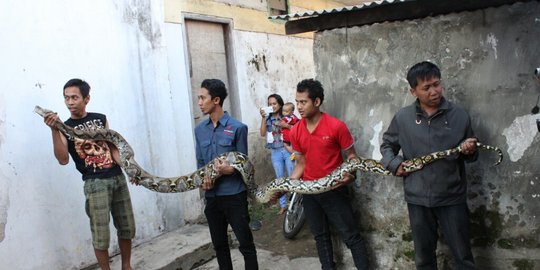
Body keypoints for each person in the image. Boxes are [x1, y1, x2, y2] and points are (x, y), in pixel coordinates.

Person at [380, 61, 478, 269]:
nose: (434, 91)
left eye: (437, 84)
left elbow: (471, 155)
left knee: (463, 257)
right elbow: (387, 145)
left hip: (452, 197)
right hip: (418, 198)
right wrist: (394, 164)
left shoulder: (459, 116)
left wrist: (471, 150)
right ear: (413, 91)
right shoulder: (403, 118)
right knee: (424, 258)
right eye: (426, 87)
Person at [42, 78, 135, 270]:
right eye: (66, 98)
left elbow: (113, 149)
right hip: (95, 183)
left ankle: (126, 266)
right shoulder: (64, 127)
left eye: (74, 97)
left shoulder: (100, 118)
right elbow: (63, 159)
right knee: (101, 236)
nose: (70, 102)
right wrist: (54, 130)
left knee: (127, 228)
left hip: (117, 177)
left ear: (86, 98)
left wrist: (130, 169)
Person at [287, 78, 370, 269]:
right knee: (320, 236)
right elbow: (300, 164)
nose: (299, 107)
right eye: (297, 102)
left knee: (351, 236)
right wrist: (287, 186)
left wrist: (352, 175)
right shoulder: (296, 131)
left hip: (335, 190)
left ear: (316, 102)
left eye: (303, 102)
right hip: (309, 191)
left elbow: (352, 157)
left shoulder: (336, 126)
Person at [195, 78, 258, 270]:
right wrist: (203, 181)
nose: (199, 102)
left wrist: (229, 170)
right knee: (220, 246)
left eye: (202, 98)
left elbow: (244, 164)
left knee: (245, 244)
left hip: (234, 195)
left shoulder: (238, 128)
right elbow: (200, 163)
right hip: (212, 197)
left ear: (216, 100)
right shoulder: (199, 130)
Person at [259, 94, 295, 215]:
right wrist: (263, 118)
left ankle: (295, 202)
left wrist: (286, 125)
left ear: (280, 104)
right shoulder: (268, 118)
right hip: (275, 152)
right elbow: (263, 133)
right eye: (270, 104)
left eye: (274, 104)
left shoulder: (286, 116)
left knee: (292, 176)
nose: (272, 106)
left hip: (288, 150)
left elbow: (297, 129)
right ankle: (283, 205)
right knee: (279, 178)